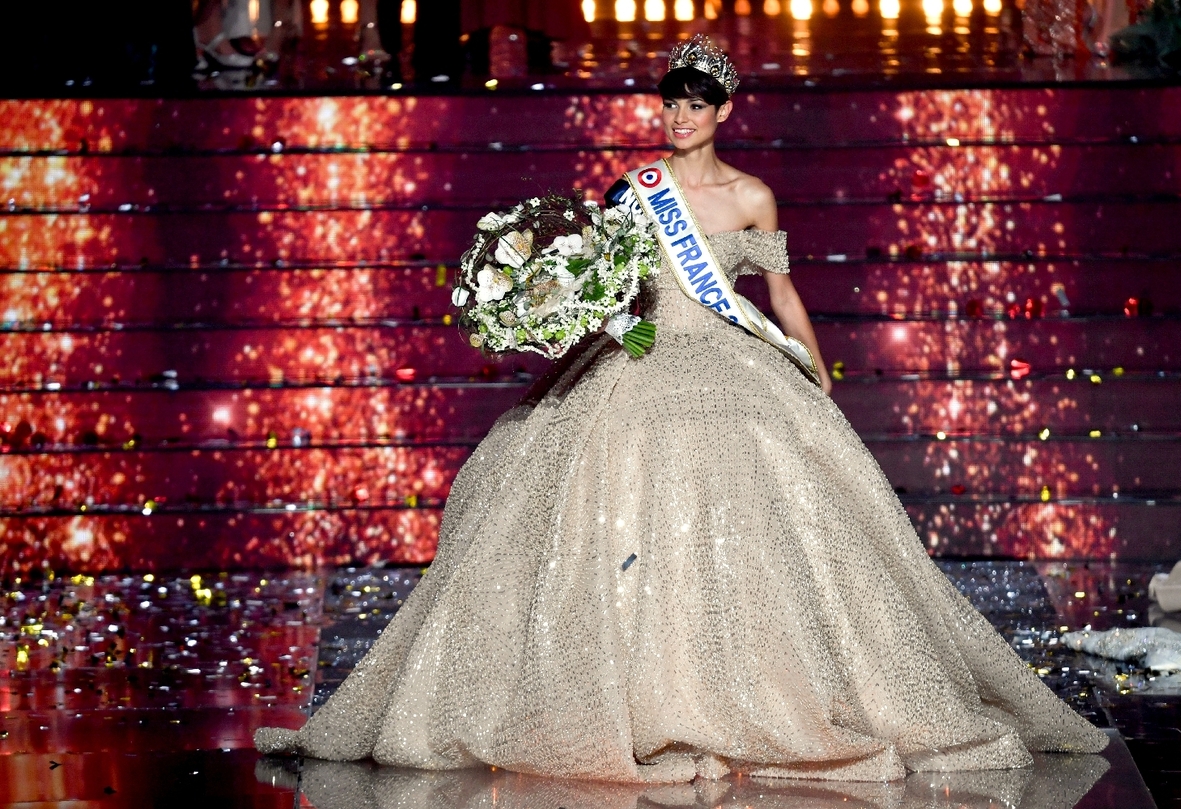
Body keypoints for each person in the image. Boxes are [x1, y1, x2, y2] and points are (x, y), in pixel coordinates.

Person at [256, 35, 1108, 783]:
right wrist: (584, 325)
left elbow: (778, 294)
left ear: (723, 110)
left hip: (732, 362)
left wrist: (815, 368)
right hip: (642, 356)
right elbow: (604, 288)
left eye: (694, 105)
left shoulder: (752, 197)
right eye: (670, 104)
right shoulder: (635, 187)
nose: (678, 117)